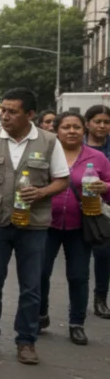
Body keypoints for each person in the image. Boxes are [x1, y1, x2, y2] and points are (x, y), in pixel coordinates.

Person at [0, 88, 69, 365]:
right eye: (3, 110)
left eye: (12, 111)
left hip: (33, 226)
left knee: (31, 286)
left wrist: (43, 192)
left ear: (30, 114)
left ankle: (26, 341)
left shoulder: (49, 141)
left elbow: (62, 179)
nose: (5, 116)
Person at [40, 111, 110, 345]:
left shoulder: (97, 158)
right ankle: (40, 315)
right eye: (66, 127)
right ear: (56, 130)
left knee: (78, 276)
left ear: (84, 130)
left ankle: (76, 323)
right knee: (40, 274)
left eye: (77, 127)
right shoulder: (46, 154)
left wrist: (105, 186)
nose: (72, 131)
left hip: (82, 226)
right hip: (45, 224)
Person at [83, 104, 110, 319]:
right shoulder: (76, 146)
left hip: (105, 211)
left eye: (106, 122)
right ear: (87, 124)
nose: (102, 126)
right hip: (76, 209)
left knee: (103, 254)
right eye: (97, 121)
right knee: (78, 257)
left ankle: (100, 297)